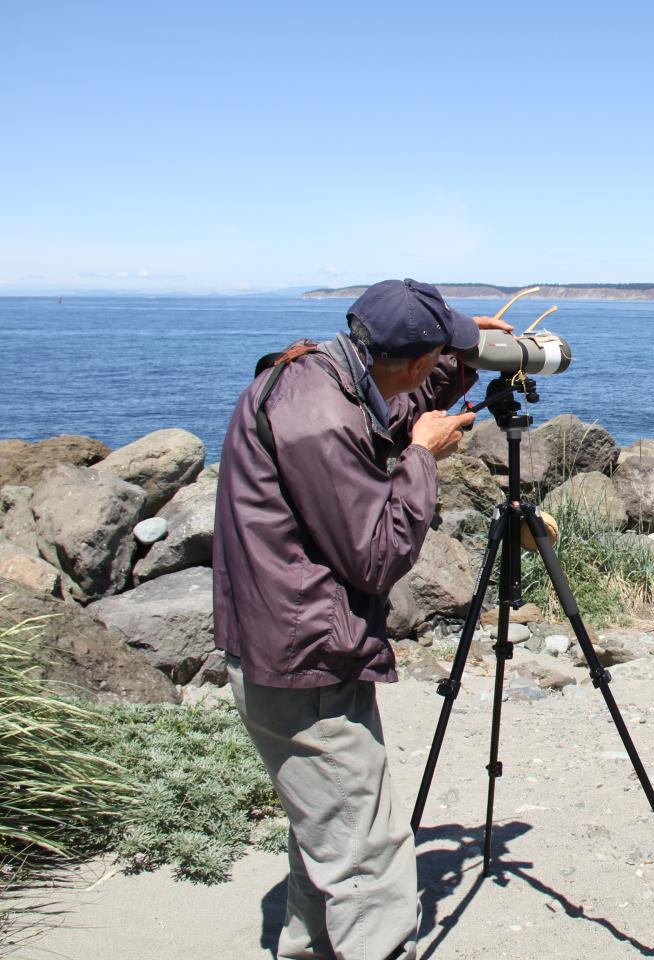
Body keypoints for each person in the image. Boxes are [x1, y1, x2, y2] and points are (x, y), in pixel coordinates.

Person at [212, 278, 512, 960]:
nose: (439, 367)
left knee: (328, 829)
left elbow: (392, 400)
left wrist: (462, 351)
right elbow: (376, 556)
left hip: (292, 640)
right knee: (364, 848)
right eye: (436, 356)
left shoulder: (325, 371)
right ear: (409, 357)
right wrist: (422, 459)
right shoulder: (320, 418)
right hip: (303, 656)